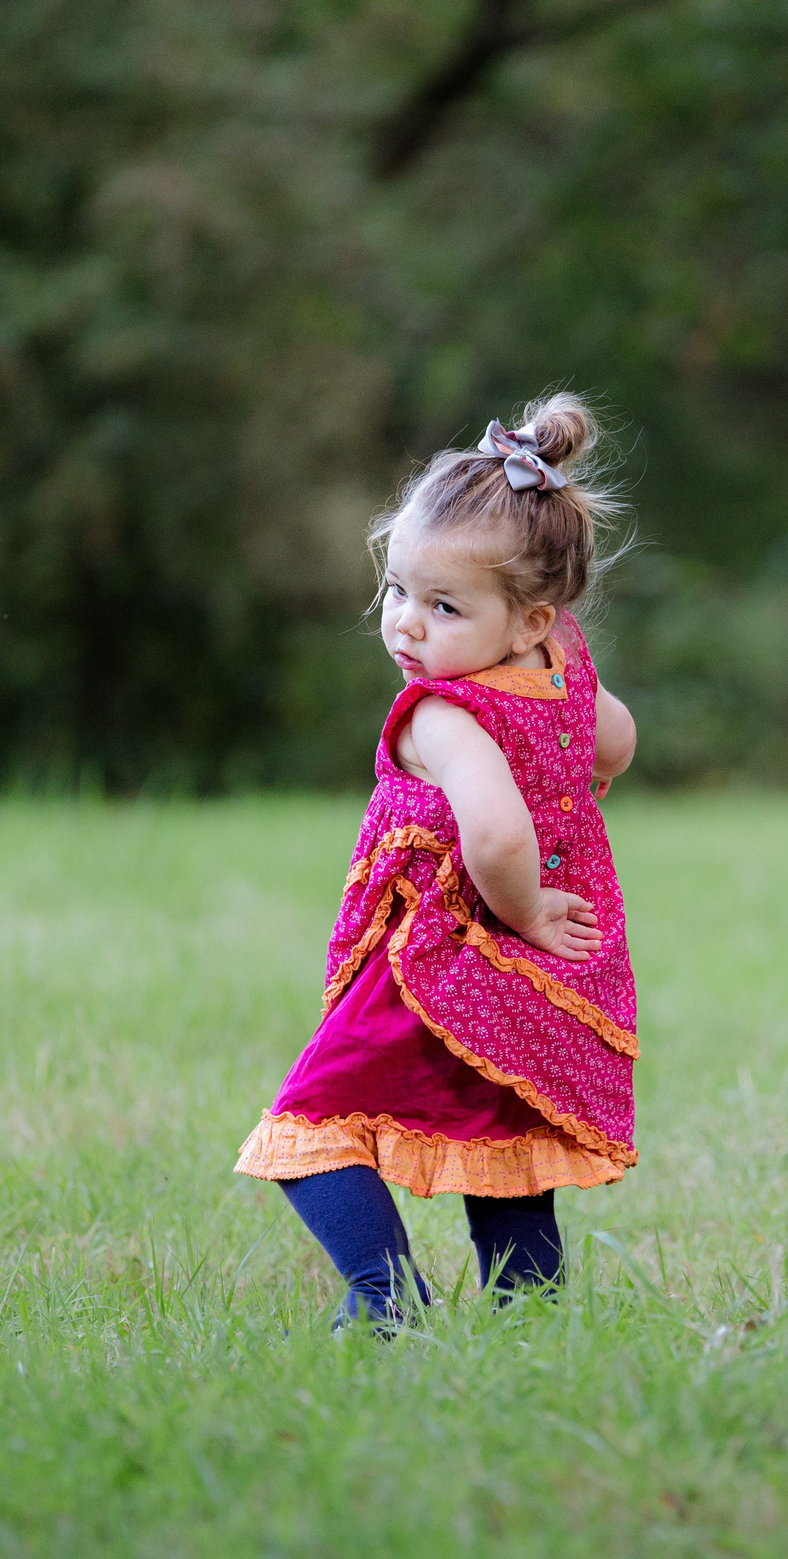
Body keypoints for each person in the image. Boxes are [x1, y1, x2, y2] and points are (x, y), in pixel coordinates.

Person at [236, 393, 640, 1327]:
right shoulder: (561, 660)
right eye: (398, 592)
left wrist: (526, 904)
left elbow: (496, 838)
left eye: (444, 606)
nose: (406, 626)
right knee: (503, 1125)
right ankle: (531, 1314)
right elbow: (612, 743)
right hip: (536, 973)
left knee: (316, 1126)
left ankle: (384, 1294)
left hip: (446, 954)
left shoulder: (445, 714)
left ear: (529, 616)